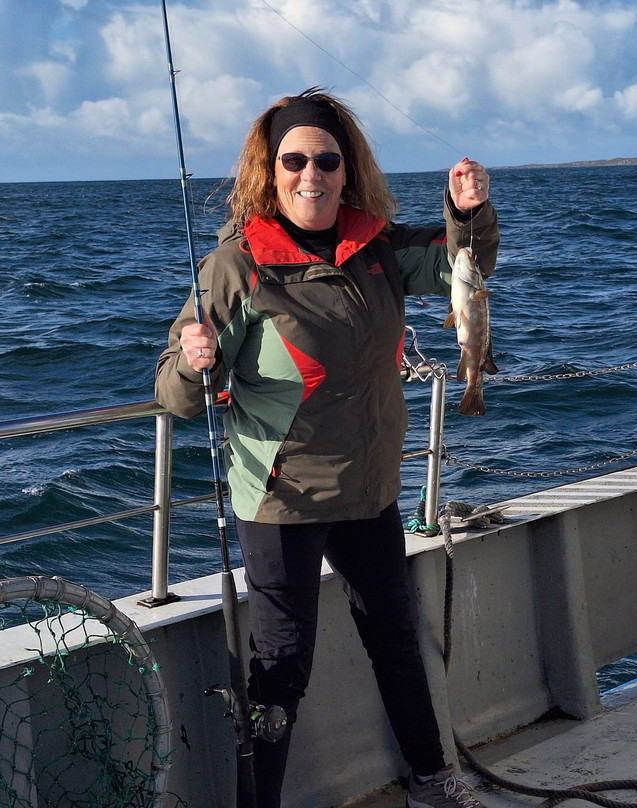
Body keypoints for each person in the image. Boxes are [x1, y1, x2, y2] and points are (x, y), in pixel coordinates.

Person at [155, 87, 499, 808]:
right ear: (269, 169)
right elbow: (177, 398)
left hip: (369, 490)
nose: (310, 173)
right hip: (281, 499)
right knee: (280, 668)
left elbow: (462, 269)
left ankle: (433, 780)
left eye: (326, 158)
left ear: (348, 170)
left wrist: (467, 213)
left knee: (397, 641)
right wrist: (192, 357)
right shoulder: (234, 265)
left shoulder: (378, 246)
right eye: (294, 159)